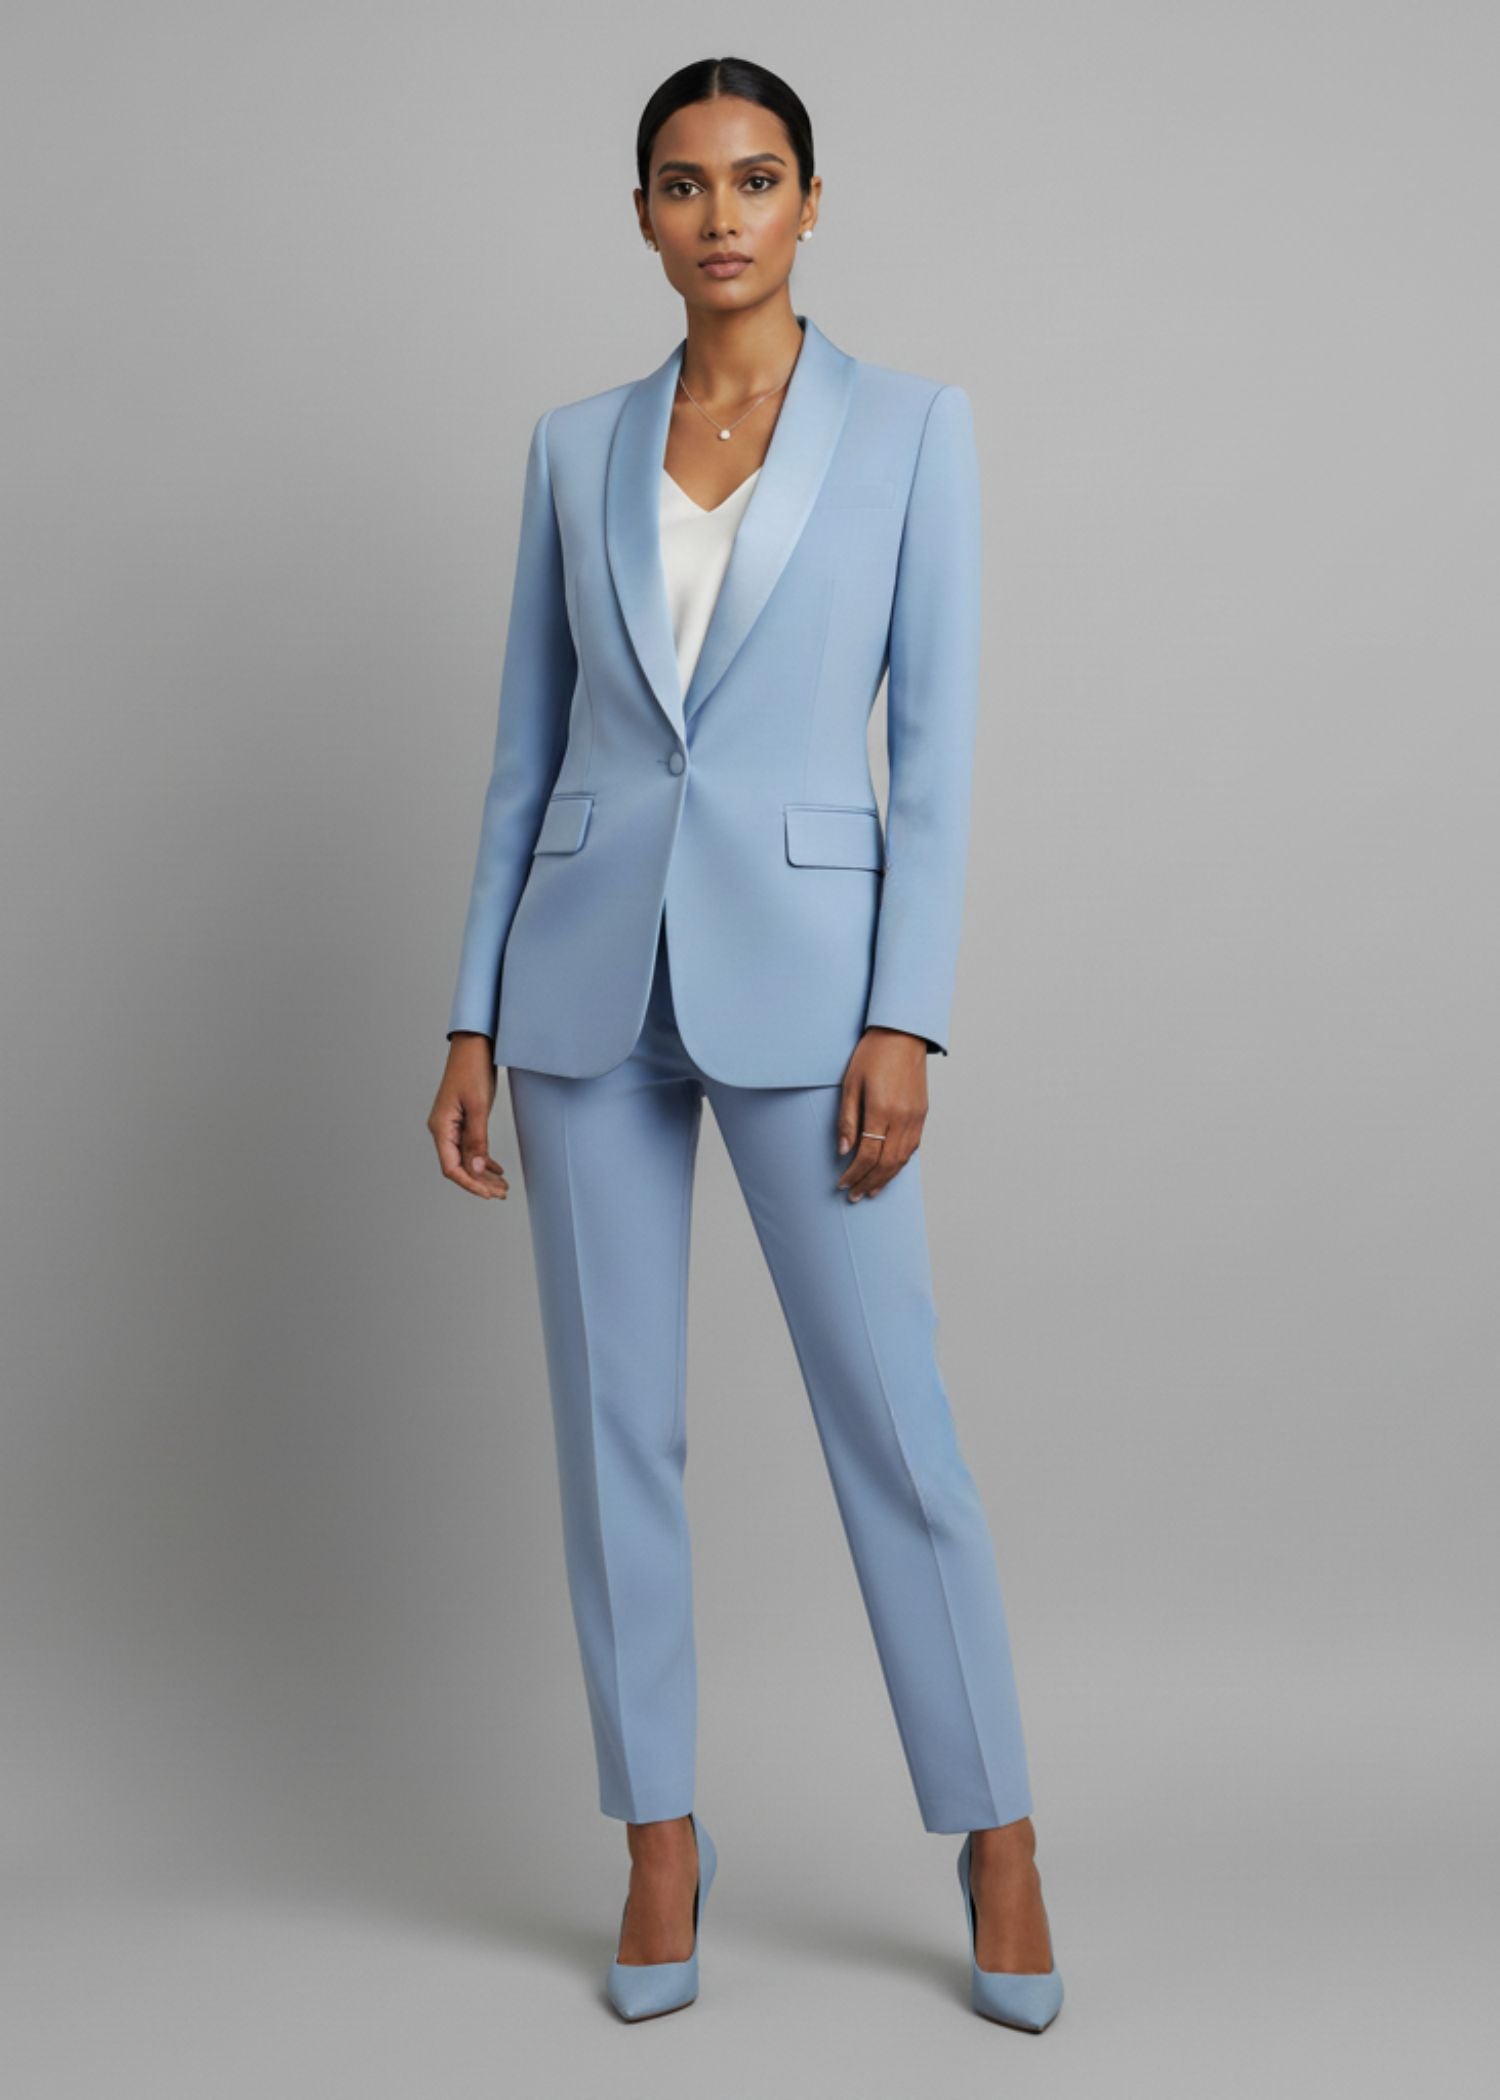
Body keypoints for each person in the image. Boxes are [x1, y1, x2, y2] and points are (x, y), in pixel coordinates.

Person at [427, 55, 1063, 2032]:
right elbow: (526, 754)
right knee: (614, 1427)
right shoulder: (572, 449)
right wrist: (469, 1010)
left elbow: (933, 758)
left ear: (810, 203)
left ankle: (1000, 1832)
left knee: (894, 1423)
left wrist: (906, 1012)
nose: (722, 215)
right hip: (580, 991)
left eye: (758, 178)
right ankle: (658, 1836)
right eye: (686, 184)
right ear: (642, 214)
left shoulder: (913, 431)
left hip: (812, 989)